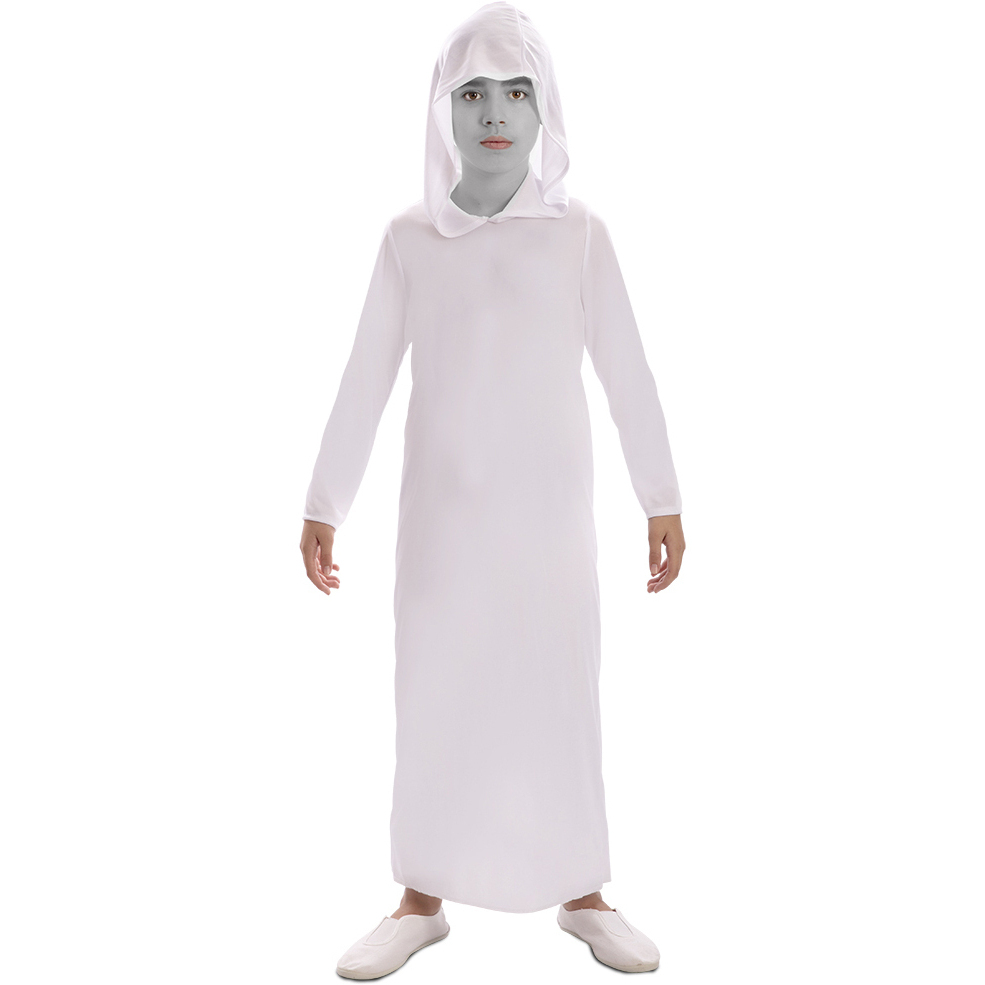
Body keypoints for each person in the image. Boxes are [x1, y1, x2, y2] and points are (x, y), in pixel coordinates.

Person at [299, 3, 685, 977]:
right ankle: (418, 896)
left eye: (516, 92)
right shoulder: (410, 240)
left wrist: (661, 496)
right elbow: (364, 375)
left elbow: (629, 371)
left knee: (560, 693)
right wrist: (324, 501)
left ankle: (583, 890)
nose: (495, 113)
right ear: (442, 110)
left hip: (550, 528)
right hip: (443, 527)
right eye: (471, 94)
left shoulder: (578, 236)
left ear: (545, 107)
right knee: (435, 693)